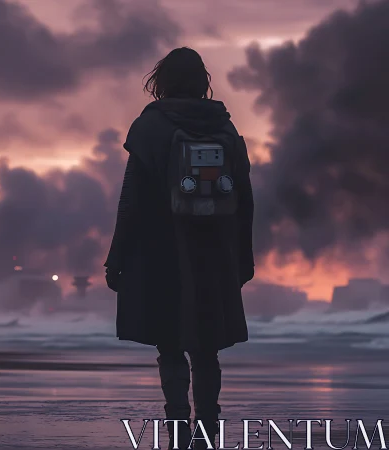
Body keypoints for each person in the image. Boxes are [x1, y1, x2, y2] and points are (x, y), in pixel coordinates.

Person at [104, 47, 255, 450]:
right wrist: (243, 259)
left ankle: (178, 432)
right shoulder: (225, 129)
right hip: (214, 254)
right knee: (207, 350)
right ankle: (207, 430)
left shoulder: (150, 127)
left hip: (161, 254)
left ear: (162, 81)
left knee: (169, 345)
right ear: (202, 80)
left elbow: (131, 200)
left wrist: (116, 257)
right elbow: (245, 199)